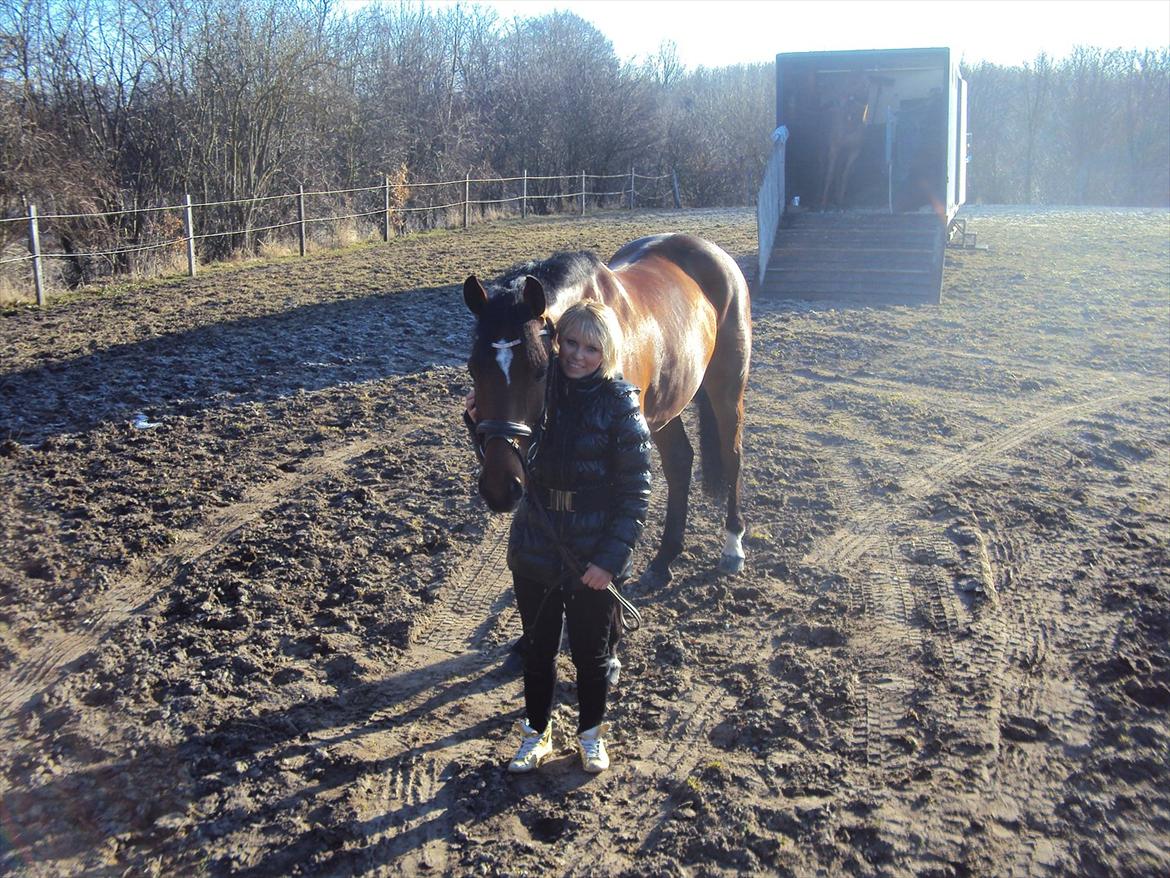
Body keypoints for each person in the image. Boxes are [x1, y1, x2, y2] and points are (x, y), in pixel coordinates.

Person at [465, 300, 652, 774]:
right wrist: (480, 424)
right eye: (570, 342)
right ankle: (536, 732)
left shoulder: (620, 402)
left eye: (591, 347)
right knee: (538, 650)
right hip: (538, 541)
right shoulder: (541, 393)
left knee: (591, 654)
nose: (577, 355)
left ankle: (591, 733)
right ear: (553, 343)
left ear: (606, 351)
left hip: (592, 551)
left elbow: (635, 494)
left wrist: (610, 560)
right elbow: (513, 458)